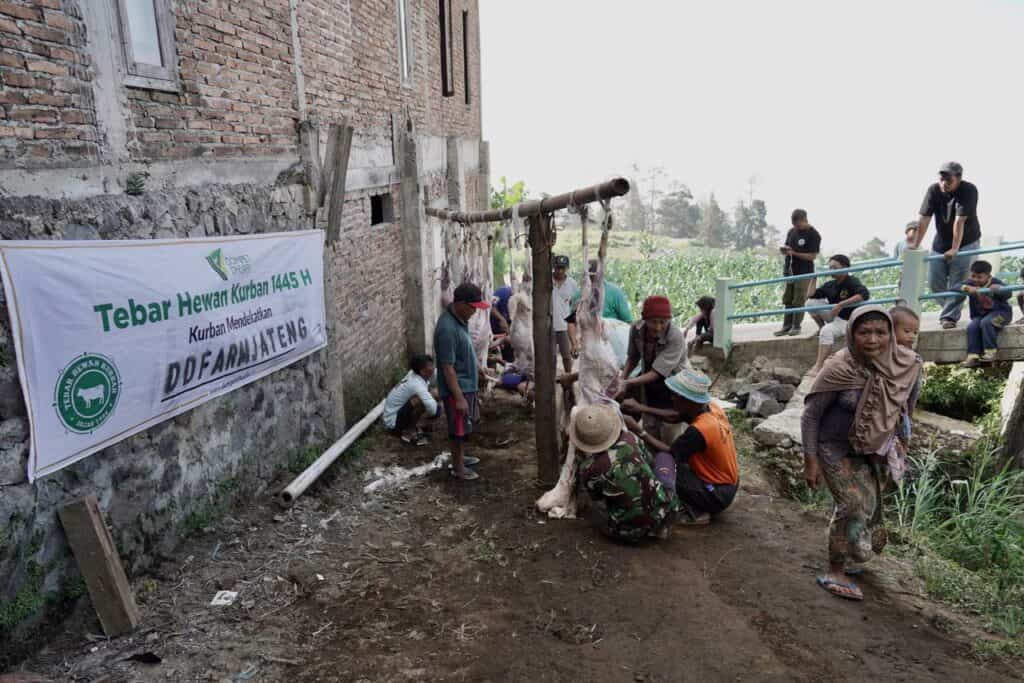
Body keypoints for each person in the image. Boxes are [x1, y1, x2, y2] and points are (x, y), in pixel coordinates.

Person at [801, 306, 923, 601]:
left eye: (881, 332)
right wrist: (810, 461)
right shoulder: (839, 367)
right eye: (864, 332)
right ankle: (835, 569)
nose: (872, 339)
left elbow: (906, 408)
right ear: (852, 334)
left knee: (866, 509)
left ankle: (852, 553)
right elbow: (811, 416)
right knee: (852, 504)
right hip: (834, 447)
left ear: (891, 334)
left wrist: (901, 445)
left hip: (873, 449)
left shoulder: (907, 365)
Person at [622, 368, 739, 525]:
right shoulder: (711, 407)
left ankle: (696, 512)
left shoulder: (699, 431)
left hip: (716, 495)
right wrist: (641, 408)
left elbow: (670, 453)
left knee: (663, 465)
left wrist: (639, 431)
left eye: (675, 395)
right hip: (728, 484)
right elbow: (675, 416)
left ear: (688, 401)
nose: (672, 397)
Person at [572, 403, 679, 542]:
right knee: (665, 458)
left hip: (624, 532)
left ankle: (630, 522)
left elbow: (597, 498)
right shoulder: (630, 438)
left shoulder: (588, 469)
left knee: (596, 507)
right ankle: (660, 522)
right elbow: (649, 461)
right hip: (663, 514)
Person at [909, 161, 982, 329]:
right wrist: (915, 245)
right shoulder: (933, 190)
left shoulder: (968, 190)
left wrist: (955, 248)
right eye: (941, 179)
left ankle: (949, 317)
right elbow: (924, 219)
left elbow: (960, 221)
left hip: (966, 242)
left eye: (948, 180)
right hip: (940, 243)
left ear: (958, 179)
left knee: (959, 282)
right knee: (935, 282)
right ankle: (951, 307)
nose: (944, 183)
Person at [434, 283, 489, 481]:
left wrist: (477, 368)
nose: (475, 311)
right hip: (458, 388)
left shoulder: (459, 320)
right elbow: (447, 367)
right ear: (461, 303)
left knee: (463, 426)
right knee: (457, 428)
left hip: (467, 384)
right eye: (472, 307)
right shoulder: (447, 329)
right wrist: (458, 397)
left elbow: (463, 350)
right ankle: (458, 468)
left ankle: (461, 458)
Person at [620, 296, 688, 441]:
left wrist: (627, 383)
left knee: (670, 431)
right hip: (650, 385)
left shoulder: (675, 337)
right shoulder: (636, 329)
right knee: (650, 428)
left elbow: (657, 373)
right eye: (653, 322)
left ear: (669, 320)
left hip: (674, 387)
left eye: (663, 322)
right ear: (644, 319)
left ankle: (672, 461)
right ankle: (655, 458)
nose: (658, 327)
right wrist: (622, 379)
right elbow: (632, 357)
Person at [806, 254, 871, 374]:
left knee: (827, 331)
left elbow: (863, 295)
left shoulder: (852, 281)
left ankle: (818, 366)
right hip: (835, 317)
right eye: (830, 267)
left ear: (845, 267)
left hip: (847, 320)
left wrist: (841, 304)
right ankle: (820, 329)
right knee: (810, 303)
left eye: (835, 267)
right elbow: (810, 295)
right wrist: (814, 277)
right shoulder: (830, 284)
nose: (831, 270)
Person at [957, 260, 1014, 368]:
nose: (976, 280)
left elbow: (1009, 293)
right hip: (981, 315)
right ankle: (973, 356)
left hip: (1002, 316)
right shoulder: (970, 283)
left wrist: (999, 290)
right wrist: (966, 288)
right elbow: (955, 286)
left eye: (979, 277)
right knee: (972, 326)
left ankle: (990, 352)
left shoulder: (996, 282)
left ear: (988, 276)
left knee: (987, 322)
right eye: (973, 276)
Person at [775, 209, 822, 337]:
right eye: (794, 225)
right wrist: (785, 250)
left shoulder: (814, 235)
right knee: (788, 298)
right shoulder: (791, 232)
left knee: (799, 299)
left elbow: (812, 256)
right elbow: (788, 247)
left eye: (798, 224)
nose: (796, 227)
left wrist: (794, 253)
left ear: (804, 220)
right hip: (790, 271)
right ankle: (786, 325)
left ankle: (796, 326)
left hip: (804, 272)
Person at [382, 354, 441, 446]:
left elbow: (438, 374)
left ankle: (414, 426)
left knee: (431, 395)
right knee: (422, 400)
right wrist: (433, 413)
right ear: (423, 371)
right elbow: (433, 410)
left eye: (432, 365)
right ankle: (410, 432)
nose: (433, 368)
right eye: (430, 366)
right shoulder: (416, 384)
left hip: (396, 413)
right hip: (393, 423)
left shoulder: (414, 374)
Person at [569, 259, 633, 325]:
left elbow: (627, 321)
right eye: (589, 276)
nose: (592, 279)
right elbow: (571, 323)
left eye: (594, 276)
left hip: (611, 332)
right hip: (587, 333)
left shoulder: (615, 293)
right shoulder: (578, 296)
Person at [551, 255, 579, 372]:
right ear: (554, 267)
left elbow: (575, 307)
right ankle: (550, 382)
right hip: (549, 325)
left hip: (565, 326)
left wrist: (574, 334)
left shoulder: (572, 284)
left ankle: (568, 383)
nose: (560, 271)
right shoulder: (547, 281)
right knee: (550, 357)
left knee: (567, 357)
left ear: (567, 268)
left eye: (563, 268)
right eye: (558, 268)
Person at [491, 284, 514, 362]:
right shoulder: (503, 292)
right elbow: (491, 306)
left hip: (504, 332)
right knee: (491, 354)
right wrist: (501, 319)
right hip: (493, 328)